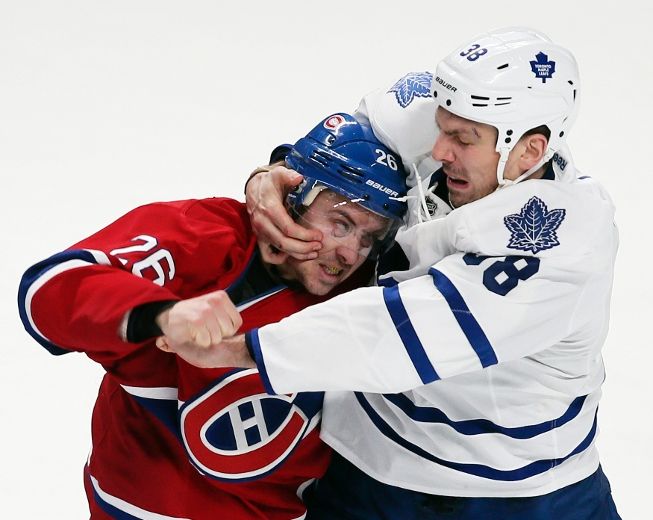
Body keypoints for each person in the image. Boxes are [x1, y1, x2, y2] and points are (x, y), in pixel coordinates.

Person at [190, 28, 622, 519]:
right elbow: (343, 147)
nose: (438, 150)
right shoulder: (460, 117)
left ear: (528, 151)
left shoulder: (565, 240)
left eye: (462, 139)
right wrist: (274, 175)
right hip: (369, 466)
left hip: (521, 493)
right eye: (442, 127)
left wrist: (246, 347)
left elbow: (407, 334)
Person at [17, 112, 407, 519]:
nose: (350, 253)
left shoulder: (371, 286)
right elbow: (51, 288)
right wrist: (161, 314)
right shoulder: (207, 237)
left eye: (369, 237)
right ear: (293, 198)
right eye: (340, 224)